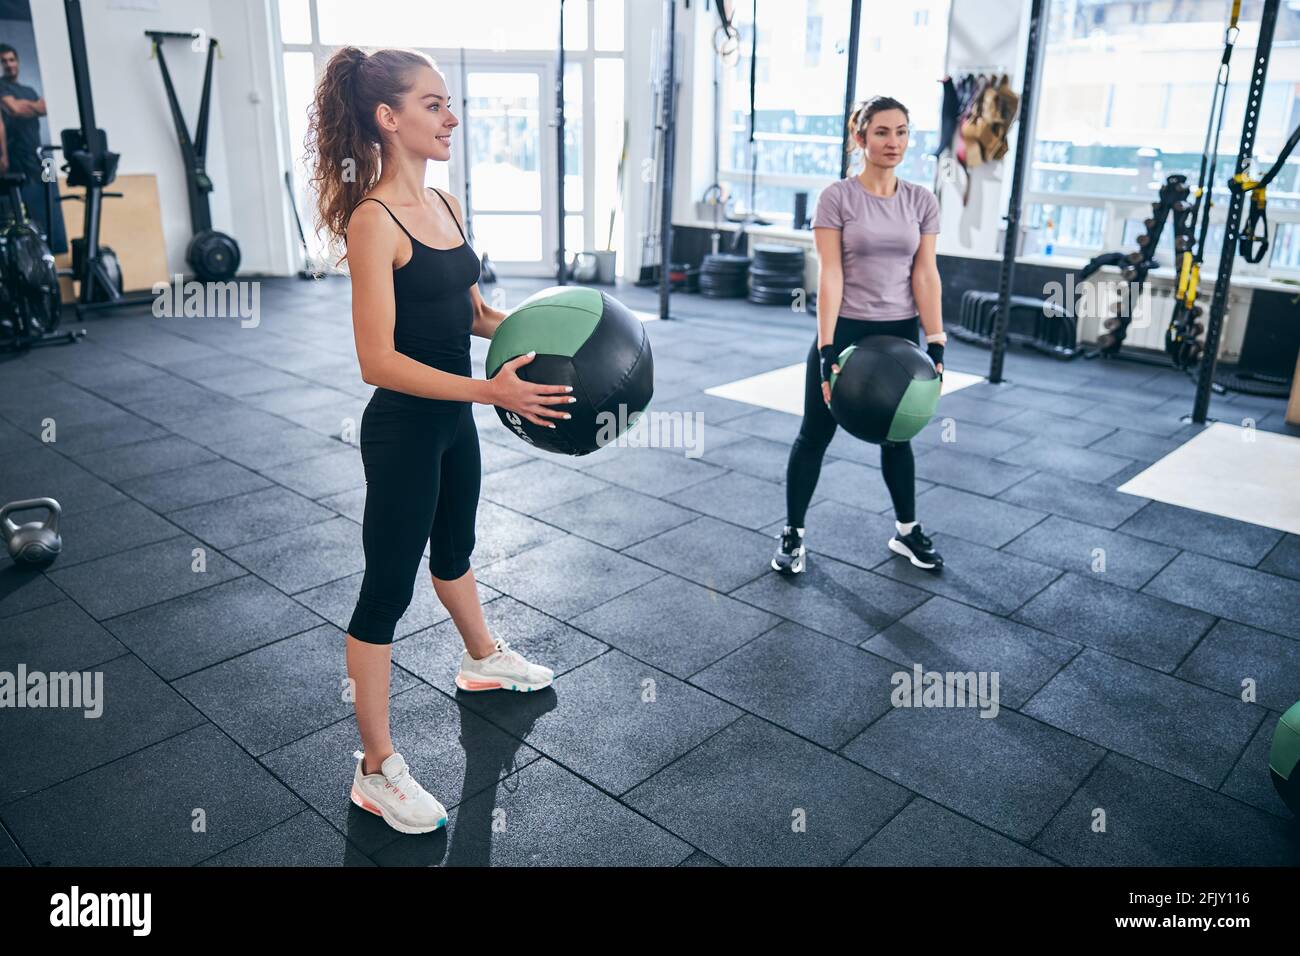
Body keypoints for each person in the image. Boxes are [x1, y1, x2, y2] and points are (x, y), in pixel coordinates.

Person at [306, 47, 571, 835]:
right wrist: (490, 389)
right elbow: (377, 360)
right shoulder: (372, 222)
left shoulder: (448, 205)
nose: (451, 117)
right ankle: (376, 767)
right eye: (433, 104)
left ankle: (482, 658)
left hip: (454, 418)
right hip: (403, 430)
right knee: (385, 590)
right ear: (388, 119)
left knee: (454, 547)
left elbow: (472, 314)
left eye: (449, 103)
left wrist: (557, 327)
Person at [772, 95, 947, 576]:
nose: (894, 142)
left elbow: (925, 274)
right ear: (860, 138)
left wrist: (935, 340)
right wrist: (827, 347)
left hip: (899, 332)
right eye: (883, 132)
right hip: (847, 329)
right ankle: (793, 533)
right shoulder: (837, 198)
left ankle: (907, 532)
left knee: (899, 436)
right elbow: (830, 275)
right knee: (815, 433)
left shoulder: (921, 200)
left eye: (902, 132)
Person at [0, 44, 65, 253]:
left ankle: (53, 253)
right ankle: (35, 256)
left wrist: (27, 107)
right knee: (27, 211)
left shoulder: (28, 90)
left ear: (17, 62)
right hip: (19, 159)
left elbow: (46, 107)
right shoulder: (2, 87)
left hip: (41, 157)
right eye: (4, 61)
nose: (9, 65)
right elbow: (16, 110)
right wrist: (31, 107)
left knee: (50, 201)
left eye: (12, 60)